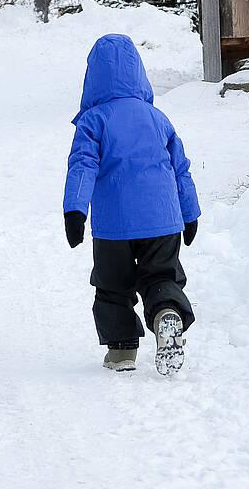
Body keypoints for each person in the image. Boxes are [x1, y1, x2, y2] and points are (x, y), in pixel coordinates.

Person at [62, 34, 200, 376]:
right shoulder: (158, 118)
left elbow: (82, 166)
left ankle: (121, 349)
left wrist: (75, 211)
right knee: (161, 276)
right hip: (163, 220)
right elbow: (180, 169)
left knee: (113, 284)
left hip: (115, 226)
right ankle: (166, 312)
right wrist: (190, 213)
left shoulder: (93, 121)